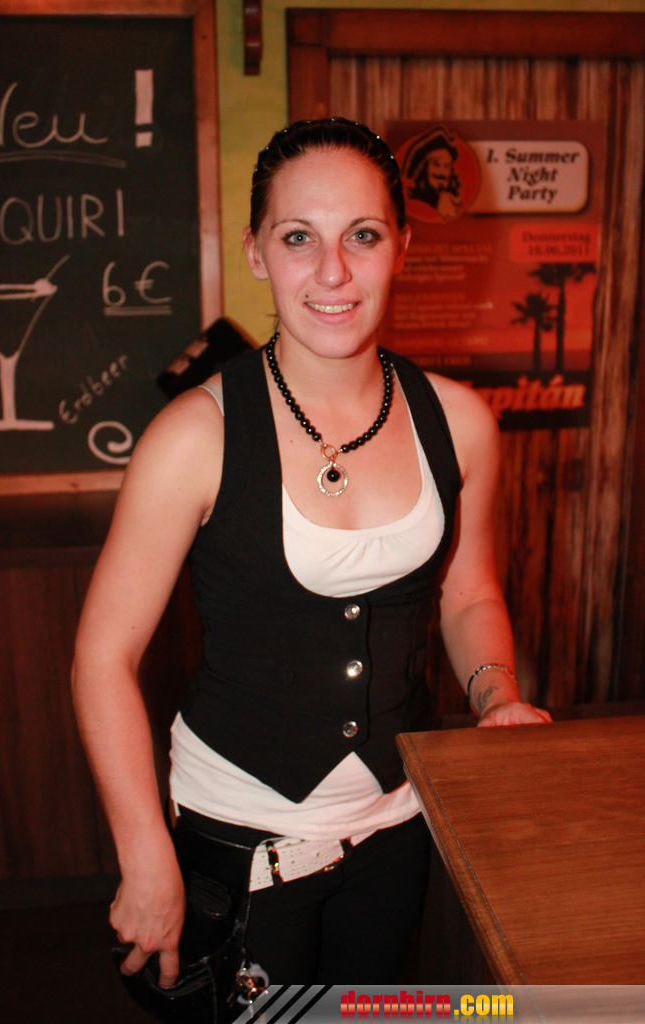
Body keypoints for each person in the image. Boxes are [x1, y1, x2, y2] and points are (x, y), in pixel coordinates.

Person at [72, 118, 551, 996]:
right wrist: (146, 859)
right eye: (298, 238)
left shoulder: (460, 422)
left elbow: (467, 593)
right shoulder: (194, 437)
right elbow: (102, 659)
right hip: (238, 835)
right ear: (256, 252)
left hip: (398, 821)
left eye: (361, 236)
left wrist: (496, 696)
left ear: (400, 247)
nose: (332, 272)